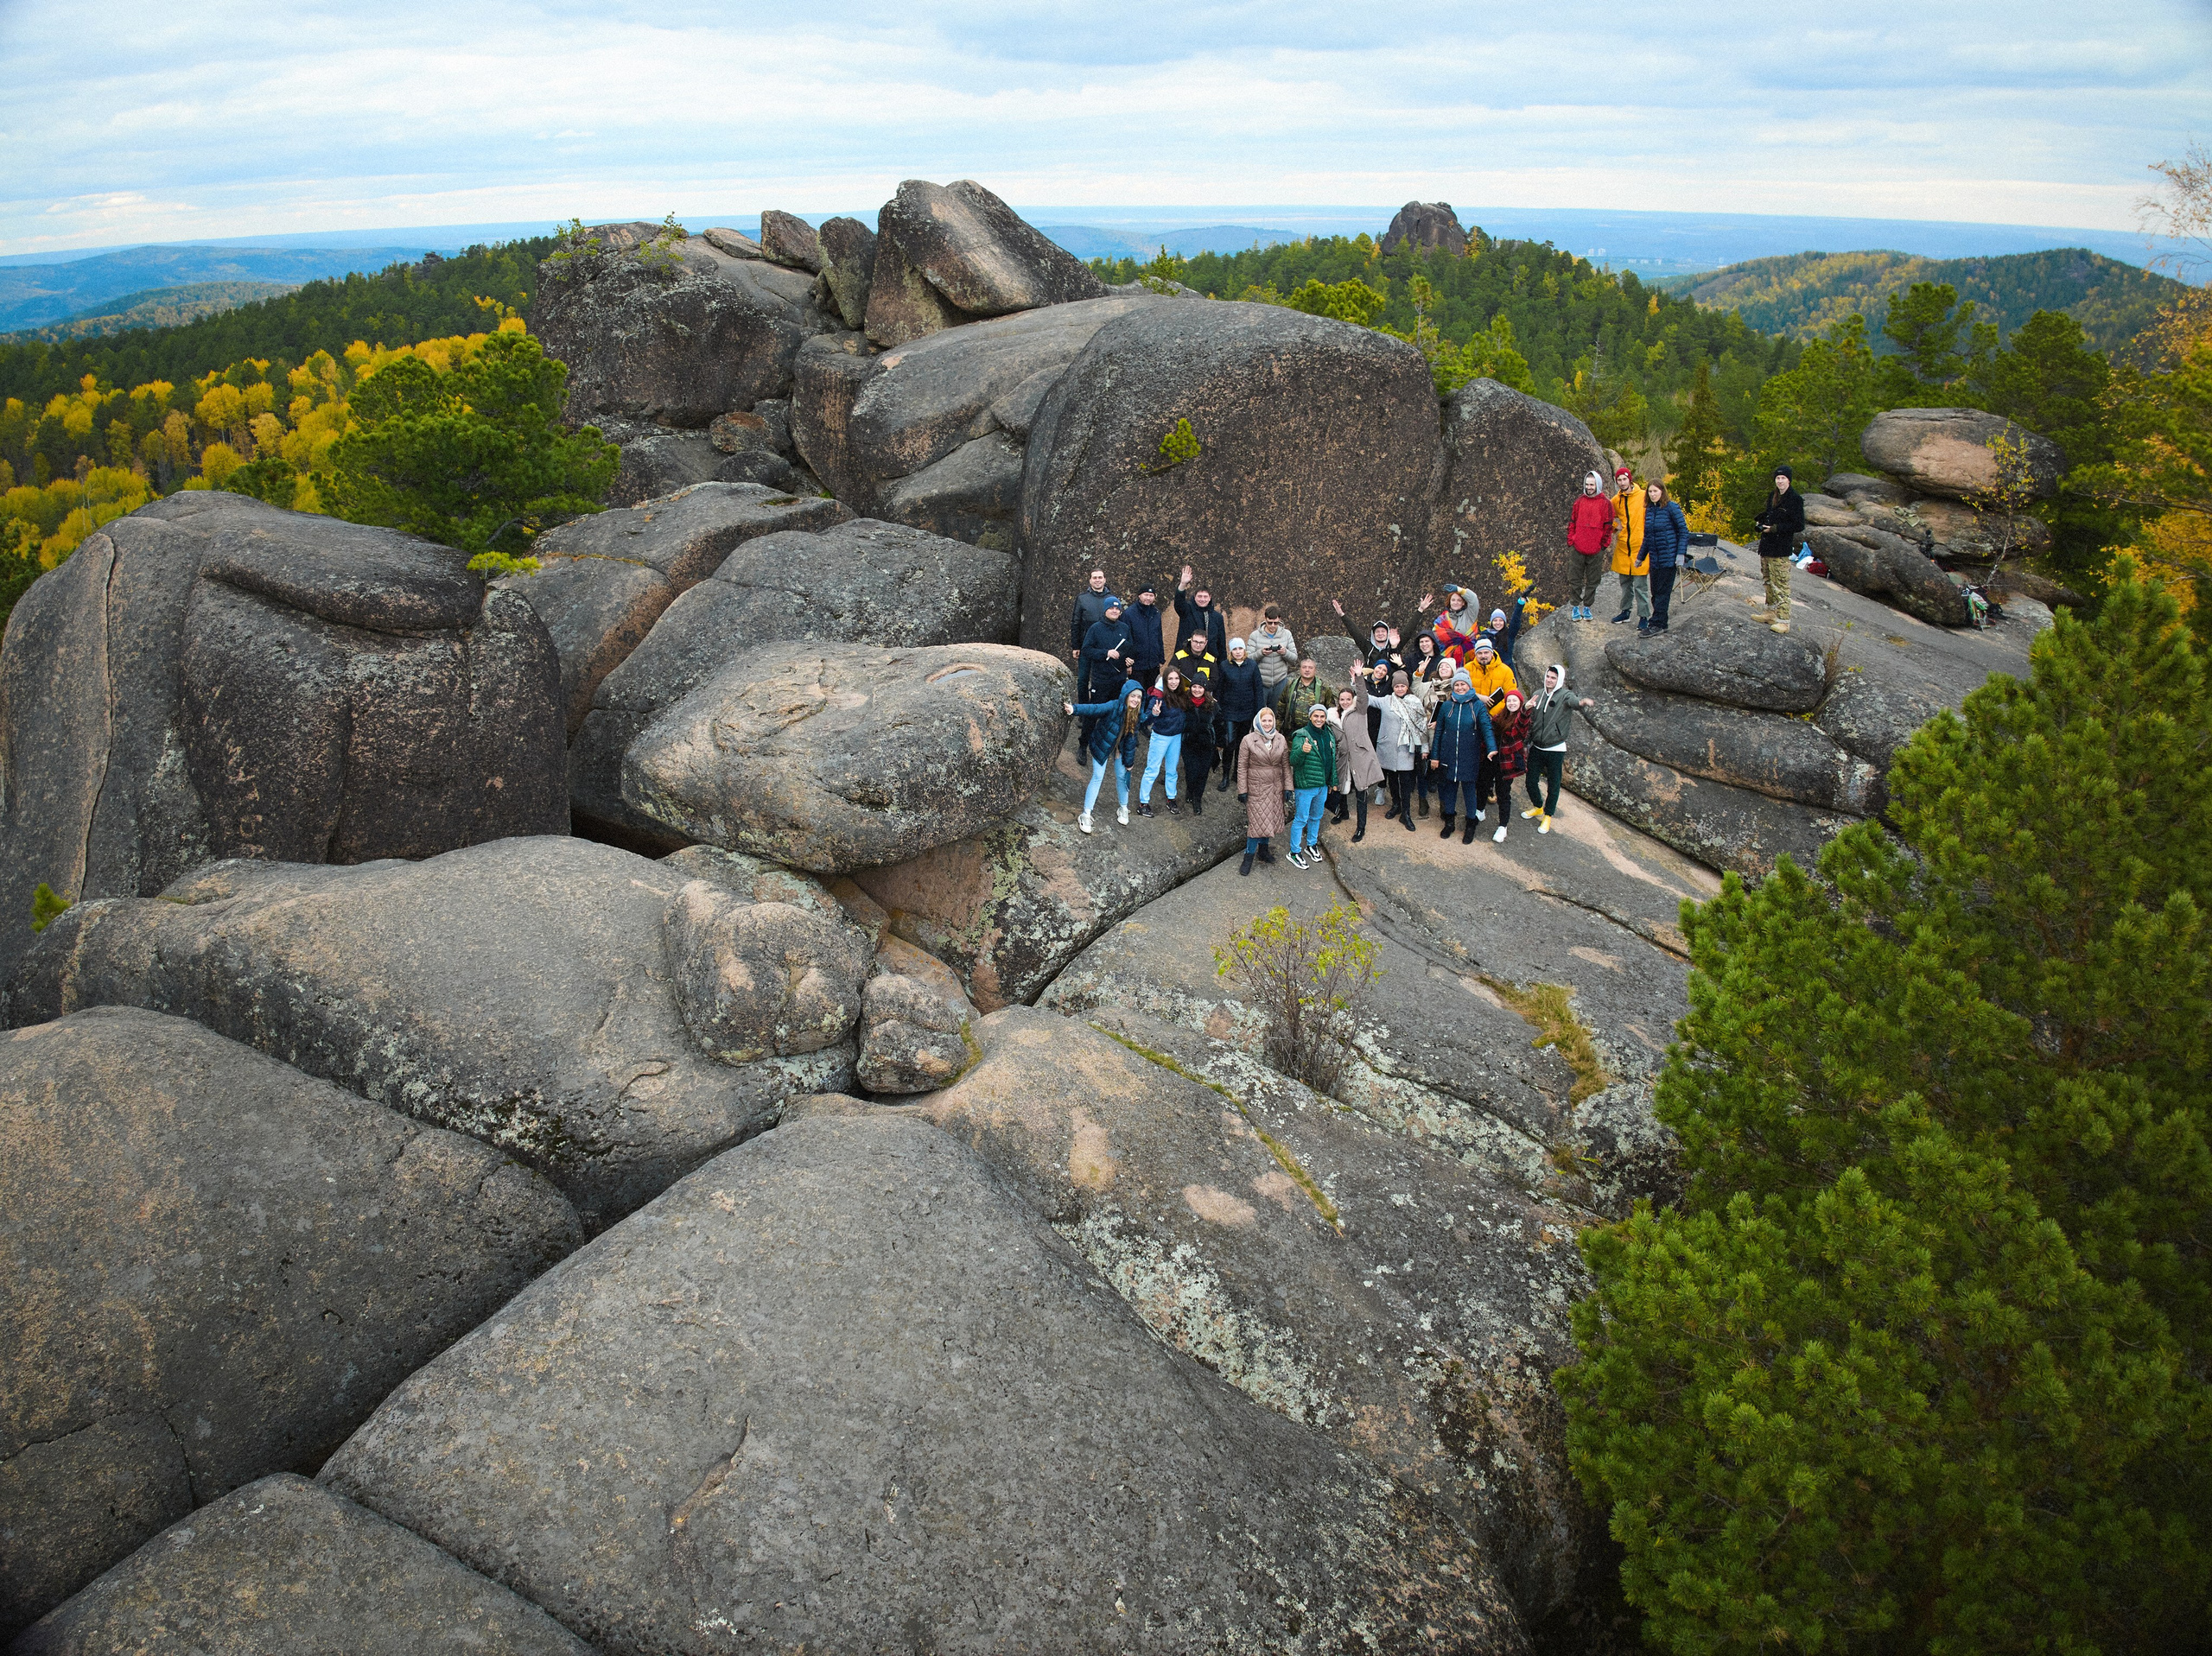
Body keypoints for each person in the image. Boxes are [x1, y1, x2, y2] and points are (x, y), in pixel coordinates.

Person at [1065, 684, 1152, 834]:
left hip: (1119, 748)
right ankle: (1086, 814)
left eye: (1139, 697)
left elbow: (1131, 740)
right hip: (1102, 745)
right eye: (1133, 696)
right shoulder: (1113, 706)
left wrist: (1129, 762)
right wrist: (1074, 709)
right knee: (1098, 776)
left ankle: (1123, 808)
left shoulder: (1136, 714)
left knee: (1122, 776)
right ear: (1125, 695)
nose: (1136, 699)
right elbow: (1095, 709)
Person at [1522, 663, 1593, 834]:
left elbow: (1574, 702)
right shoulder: (1538, 694)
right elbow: (1531, 721)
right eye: (1548, 676)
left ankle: (1548, 815)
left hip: (1556, 748)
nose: (1549, 680)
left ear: (1559, 679)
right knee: (1530, 780)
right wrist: (1526, 743)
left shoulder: (1565, 695)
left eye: (1553, 678)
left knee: (1553, 784)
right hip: (1537, 747)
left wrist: (1582, 702)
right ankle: (1538, 806)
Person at [1428, 666, 1497, 844]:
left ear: (1469, 685)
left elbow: (1486, 728)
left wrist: (1491, 748)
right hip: (1448, 755)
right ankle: (1449, 822)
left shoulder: (1478, 706)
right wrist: (1435, 756)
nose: (1459, 687)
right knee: (1449, 789)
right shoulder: (1447, 706)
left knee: (1468, 791)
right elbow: (1439, 731)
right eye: (1456, 685)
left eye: (1462, 684)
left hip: (1469, 756)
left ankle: (1470, 825)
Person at [1236, 707, 1291, 876]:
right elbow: (1242, 766)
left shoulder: (1280, 739)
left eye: (1270, 720)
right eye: (1264, 721)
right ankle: (1248, 857)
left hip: (1275, 786)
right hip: (1256, 787)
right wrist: (1242, 789)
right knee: (1257, 824)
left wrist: (1288, 786)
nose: (1267, 724)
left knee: (1270, 819)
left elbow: (1285, 766)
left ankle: (1264, 851)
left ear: (1274, 722)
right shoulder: (1248, 740)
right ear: (1258, 722)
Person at [1752, 464, 1805, 634]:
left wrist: (1775, 528)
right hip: (1766, 546)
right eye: (1778, 478)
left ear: (1789, 480)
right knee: (1767, 581)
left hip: (1780, 548)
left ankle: (1783, 620)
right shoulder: (1773, 496)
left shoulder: (1795, 499)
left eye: (1783, 478)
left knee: (1780, 584)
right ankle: (1770, 612)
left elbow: (1799, 525)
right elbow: (1770, 515)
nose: (1780, 481)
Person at [1328, 682, 1382, 843]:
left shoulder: (1359, 711)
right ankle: (1343, 812)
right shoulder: (1333, 717)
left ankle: (1361, 827)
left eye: (1348, 699)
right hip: (1343, 757)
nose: (1345, 702)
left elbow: (1364, 697)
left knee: (1361, 791)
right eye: (1342, 699)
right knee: (1342, 787)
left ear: (1353, 699)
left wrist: (1359, 678)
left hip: (1360, 756)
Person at [1286, 701, 1336, 869]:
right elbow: (1293, 761)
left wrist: (1332, 782)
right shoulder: (1301, 735)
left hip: (1322, 785)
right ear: (1310, 717)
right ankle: (1294, 851)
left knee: (1316, 817)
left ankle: (1311, 845)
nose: (1319, 719)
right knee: (1301, 819)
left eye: (1322, 716)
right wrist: (1301, 751)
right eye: (1316, 716)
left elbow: (1331, 761)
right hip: (1306, 786)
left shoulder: (1328, 734)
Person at [1376, 669, 1428, 831]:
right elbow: (1367, 699)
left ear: (1407, 687)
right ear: (1393, 687)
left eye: (1402, 686)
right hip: (1389, 749)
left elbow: (1422, 728)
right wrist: (1357, 679)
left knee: (1406, 782)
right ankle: (1396, 805)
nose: (1399, 689)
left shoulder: (1415, 702)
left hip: (1407, 748)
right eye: (1397, 686)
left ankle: (1406, 813)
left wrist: (1425, 748)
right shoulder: (1387, 701)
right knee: (1392, 779)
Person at [1136, 667, 1189, 816]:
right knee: (1152, 769)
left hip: (1176, 737)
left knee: (1172, 770)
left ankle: (1171, 798)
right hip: (1160, 736)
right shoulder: (1158, 696)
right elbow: (1145, 720)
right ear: (1165, 681)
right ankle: (1143, 803)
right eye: (1170, 679)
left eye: (1176, 679)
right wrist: (1154, 713)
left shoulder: (1181, 694)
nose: (1174, 682)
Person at [1217, 637, 1264, 792]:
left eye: (1240, 649)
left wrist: (1258, 713)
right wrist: (1220, 711)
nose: (1238, 652)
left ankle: (1238, 774)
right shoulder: (1224, 666)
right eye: (1235, 649)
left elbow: (1258, 690)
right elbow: (1219, 690)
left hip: (1247, 712)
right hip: (1230, 712)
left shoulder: (1252, 666)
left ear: (1244, 650)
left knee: (1243, 745)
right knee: (1230, 743)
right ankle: (1225, 775)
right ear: (1231, 651)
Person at [1642, 480, 1690, 632]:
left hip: (1669, 558)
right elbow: (1647, 537)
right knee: (1655, 593)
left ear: (1662, 491)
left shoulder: (1671, 507)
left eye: (1655, 491)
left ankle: (1657, 624)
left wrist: (1680, 554)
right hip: (1655, 559)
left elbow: (1683, 531)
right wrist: (1640, 557)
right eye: (1650, 492)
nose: (1653, 494)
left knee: (1662, 593)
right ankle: (1661, 623)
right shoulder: (1650, 510)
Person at [1077, 595, 1135, 720]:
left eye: (1117, 608)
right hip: (1101, 679)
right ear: (1105, 610)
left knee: (1114, 713)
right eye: (1111, 608)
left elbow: (1129, 649)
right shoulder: (1095, 628)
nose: (1114, 611)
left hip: (1119, 679)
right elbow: (1086, 650)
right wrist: (1106, 653)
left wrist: (1129, 661)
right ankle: (1085, 739)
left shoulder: (1124, 628)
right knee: (1094, 712)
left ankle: (1108, 740)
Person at [1567, 472, 1613, 621]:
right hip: (1578, 548)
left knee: (1593, 580)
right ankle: (1575, 607)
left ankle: (1587, 607)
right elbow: (1572, 522)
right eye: (1587, 484)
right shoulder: (1579, 501)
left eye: (1592, 485)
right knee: (1575, 579)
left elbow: (1608, 526)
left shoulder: (1606, 503)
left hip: (1596, 549)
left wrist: (1603, 545)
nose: (1589, 487)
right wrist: (1571, 540)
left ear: (1597, 485)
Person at [1608, 465, 1649, 625]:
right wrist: (1616, 526)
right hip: (1624, 547)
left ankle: (1644, 617)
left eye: (1624, 479)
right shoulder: (1616, 500)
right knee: (1625, 584)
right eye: (1619, 480)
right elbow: (1607, 516)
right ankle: (1625, 612)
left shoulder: (1643, 496)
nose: (1622, 482)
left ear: (1630, 479)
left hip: (1641, 547)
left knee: (1640, 585)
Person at [1486, 689, 1529, 842]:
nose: (1511, 703)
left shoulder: (1522, 719)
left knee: (1503, 793)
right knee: (1484, 784)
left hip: (1508, 762)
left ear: (1520, 703)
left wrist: (1525, 710)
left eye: (1515, 701)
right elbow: (1490, 727)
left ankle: (1503, 826)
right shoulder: (1501, 716)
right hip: (1494, 758)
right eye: (1509, 700)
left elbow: (1521, 726)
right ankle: (1480, 811)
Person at [1179, 678, 1224, 813]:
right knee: (1191, 772)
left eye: (1200, 687)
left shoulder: (1213, 705)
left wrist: (1220, 743)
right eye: (1194, 687)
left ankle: (1197, 799)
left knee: (1203, 774)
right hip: (1189, 744)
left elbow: (1220, 725)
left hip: (1207, 745)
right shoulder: (1184, 703)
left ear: (1205, 689)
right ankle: (1190, 790)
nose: (1197, 690)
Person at [1174, 565, 1228, 662]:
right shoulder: (1187, 610)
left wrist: (1222, 665)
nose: (1202, 599)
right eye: (1200, 596)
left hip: (1209, 661)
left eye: (1205, 596)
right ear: (1195, 596)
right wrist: (1183, 584)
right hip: (1186, 660)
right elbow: (1179, 603)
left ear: (1210, 597)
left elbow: (1221, 644)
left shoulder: (1217, 617)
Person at [1274, 656, 1332, 733]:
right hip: (1291, 733)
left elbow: (1331, 711)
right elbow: (1281, 708)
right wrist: (1277, 728)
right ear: (1300, 669)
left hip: (1314, 733)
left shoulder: (1324, 688)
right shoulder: (1290, 685)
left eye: (1310, 668)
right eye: (1304, 667)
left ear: (1315, 670)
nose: (1307, 670)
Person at [1126, 580, 1166, 686]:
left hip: (1153, 664)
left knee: (1152, 693)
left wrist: (1161, 658)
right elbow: (1126, 640)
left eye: (1151, 595)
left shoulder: (1156, 613)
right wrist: (1127, 664)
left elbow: (1158, 636)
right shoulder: (1129, 614)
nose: (1148, 598)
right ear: (1139, 595)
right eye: (1146, 595)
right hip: (1137, 664)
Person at [1067, 568, 1112, 663]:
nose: (1097, 580)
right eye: (1094, 578)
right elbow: (1076, 623)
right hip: (1086, 644)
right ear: (1090, 580)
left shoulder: (1112, 599)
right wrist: (1076, 646)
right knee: (1083, 676)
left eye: (1100, 577)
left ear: (1105, 579)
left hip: (1107, 645)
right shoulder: (1082, 599)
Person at [1249, 606, 1298, 693]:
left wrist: (1285, 652)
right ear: (1265, 619)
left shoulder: (1287, 634)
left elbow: (1294, 659)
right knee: (1261, 707)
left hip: (1280, 681)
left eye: (1276, 623)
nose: (1272, 626)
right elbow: (1248, 659)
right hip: (1261, 682)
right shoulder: (1255, 635)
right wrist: (1261, 653)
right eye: (1269, 622)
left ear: (1280, 619)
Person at [1428, 586, 1481, 666]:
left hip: (1469, 660)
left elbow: (1473, 599)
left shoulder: (1470, 615)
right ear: (1449, 602)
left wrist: (1459, 589)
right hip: (1445, 662)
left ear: (1463, 603)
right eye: (1453, 600)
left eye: (1459, 600)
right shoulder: (1442, 619)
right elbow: (1435, 639)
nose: (1455, 602)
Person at [1481, 599, 1529, 666]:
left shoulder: (1509, 634)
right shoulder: (1485, 635)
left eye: (1501, 620)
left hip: (1507, 670)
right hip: (1490, 670)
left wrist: (1520, 603)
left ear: (1504, 622)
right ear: (1491, 622)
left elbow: (1516, 620)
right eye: (1495, 620)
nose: (1498, 623)